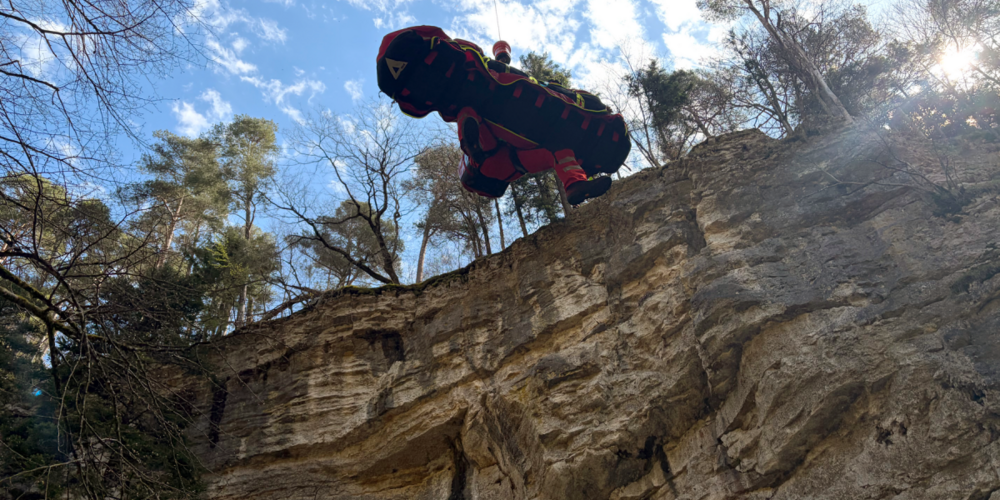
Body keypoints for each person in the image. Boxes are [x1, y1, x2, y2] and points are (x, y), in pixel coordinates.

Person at [457, 106, 612, 205]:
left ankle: (575, 185)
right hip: (507, 164)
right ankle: (471, 146)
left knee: (557, 150)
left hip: (503, 162)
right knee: (555, 152)